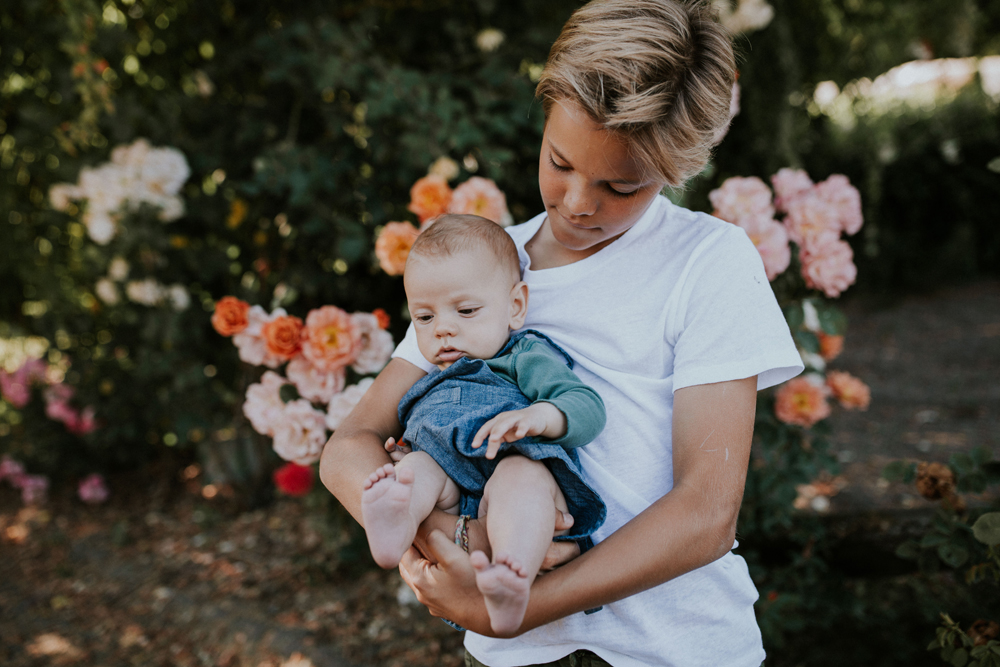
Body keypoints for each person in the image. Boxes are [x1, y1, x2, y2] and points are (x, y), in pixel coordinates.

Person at [321, 0, 804, 664]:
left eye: (621, 186)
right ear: (546, 111)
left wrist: (520, 608)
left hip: (675, 647)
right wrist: (445, 541)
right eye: (559, 161)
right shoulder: (483, 271)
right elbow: (349, 445)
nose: (578, 203)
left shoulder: (707, 260)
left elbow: (705, 515)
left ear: (676, 169)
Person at [360, 213, 607, 635]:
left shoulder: (522, 357)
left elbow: (587, 407)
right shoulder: (430, 377)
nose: (443, 329)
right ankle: (394, 524)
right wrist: (407, 453)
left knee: (521, 477)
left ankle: (512, 578)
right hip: (452, 490)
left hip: (513, 468)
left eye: (466, 310)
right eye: (424, 318)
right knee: (416, 471)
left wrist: (540, 416)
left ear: (515, 307)